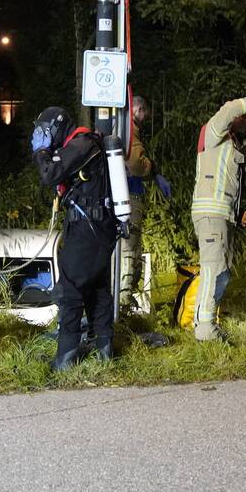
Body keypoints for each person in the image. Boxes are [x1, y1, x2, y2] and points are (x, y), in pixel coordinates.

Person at [31, 107, 119, 370]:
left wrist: (41, 151)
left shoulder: (81, 145)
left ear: (57, 127)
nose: (44, 136)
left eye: (45, 132)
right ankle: (104, 351)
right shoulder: (86, 143)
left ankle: (65, 358)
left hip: (87, 228)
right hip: (97, 225)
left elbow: (50, 174)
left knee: (70, 290)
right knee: (97, 288)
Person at [190, 95, 246, 341]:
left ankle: (206, 324)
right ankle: (205, 329)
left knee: (220, 272)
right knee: (213, 270)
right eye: (244, 117)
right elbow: (231, 108)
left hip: (223, 215)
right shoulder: (213, 131)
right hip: (211, 214)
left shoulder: (234, 142)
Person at [118, 95, 172, 309]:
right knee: (129, 248)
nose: (144, 121)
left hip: (123, 195)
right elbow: (135, 164)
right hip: (129, 195)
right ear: (138, 109)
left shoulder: (120, 125)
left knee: (127, 248)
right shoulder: (130, 128)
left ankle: (121, 299)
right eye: (145, 116)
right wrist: (152, 169)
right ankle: (122, 301)